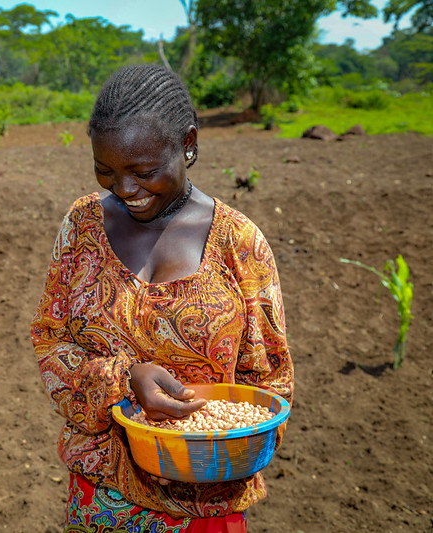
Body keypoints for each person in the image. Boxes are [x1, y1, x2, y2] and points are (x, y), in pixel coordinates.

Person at [30, 64, 294, 532]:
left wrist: (214, 446)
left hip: (206, 500)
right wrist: (123, 378)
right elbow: (51, 343)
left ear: (188, 143)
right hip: (102, 497)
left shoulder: (238, 244)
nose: (125, 189)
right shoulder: (82, 227)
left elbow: (269, 381)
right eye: (104, 170)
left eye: (144, 171)